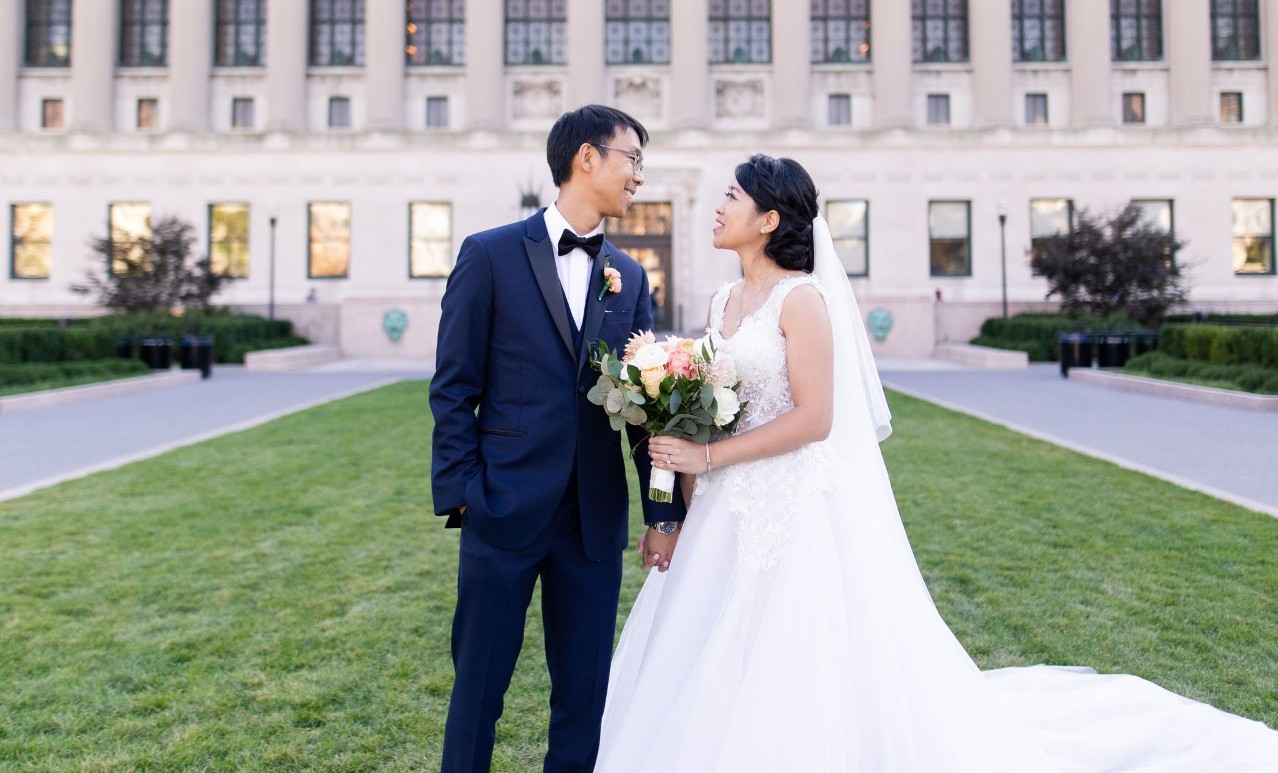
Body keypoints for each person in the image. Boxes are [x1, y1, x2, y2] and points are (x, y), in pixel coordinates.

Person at [593, 155, 1278, 772]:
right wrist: (678, 498)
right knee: (707, 644)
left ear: (769, 219)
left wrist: (709, 453)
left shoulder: (802, 301)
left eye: (733, 196)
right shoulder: (719, 301)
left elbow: (814, 419)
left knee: (793, 650)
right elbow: (708, 410)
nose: (719, 205)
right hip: (722, 505)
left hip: (792, 503)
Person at [430, 105, 686, 773]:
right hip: (502, 510)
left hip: (592, 524)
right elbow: (453, 387)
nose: (638, 176)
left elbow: (644, 409)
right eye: (632, 159)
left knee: (583, 699)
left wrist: (662, 510)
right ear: (587, 159)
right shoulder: (488, 255)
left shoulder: (628, 278)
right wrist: (462, 495)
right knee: (479, 690)